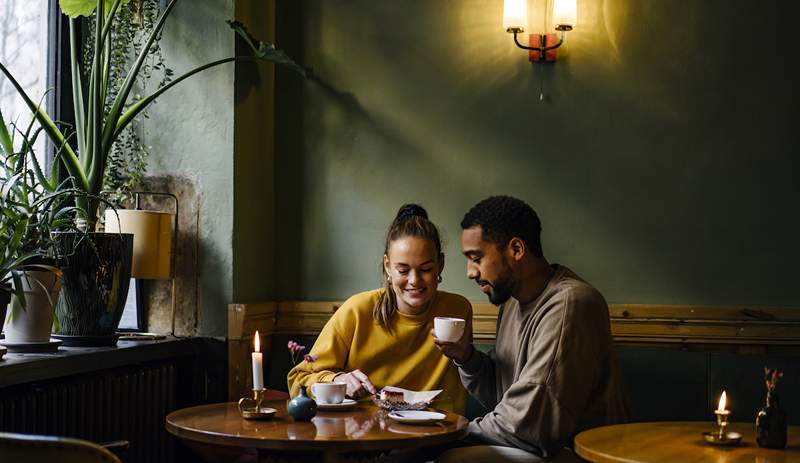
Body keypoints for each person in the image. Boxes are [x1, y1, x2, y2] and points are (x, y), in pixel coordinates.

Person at [433, 195, 628, 462]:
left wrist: (441, 438)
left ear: (516, 249)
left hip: (576, 455)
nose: (470, 272)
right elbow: (505, 399)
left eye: (476, 258)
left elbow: (529, 424)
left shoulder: (571, 304)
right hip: (533, 448)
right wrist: (465, 357)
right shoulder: (512, 302)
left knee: (453, 460)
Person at [287, 204, 472, 413]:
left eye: (426, 269)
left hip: (435, 437)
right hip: (364, 438)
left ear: (441, 264)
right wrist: (337, 380)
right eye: (403, 270)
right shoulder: (357, 311)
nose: (414, 280)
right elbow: (298, 379)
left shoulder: (457, 310)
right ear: (387, 266)